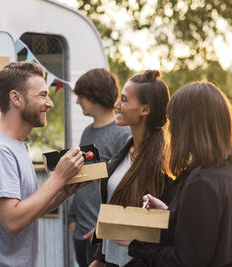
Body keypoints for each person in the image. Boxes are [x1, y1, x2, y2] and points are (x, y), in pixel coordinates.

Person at [116, 82, 232, 267]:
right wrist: (170, 213)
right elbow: (209, 235)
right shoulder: (231, 172)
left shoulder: (202, 183)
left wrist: (136, 244)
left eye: (173, 121)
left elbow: (185, 261)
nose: (171, 130)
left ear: (187, 126)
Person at [0, 61, 87, 267]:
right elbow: (13, 221)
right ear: (16, 98)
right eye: (42, 95)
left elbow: (26, 209)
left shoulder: (16, 146)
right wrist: (58, 178)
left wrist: (64, 191)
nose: (50, 103)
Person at [90, 70, 172, 267]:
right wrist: (100, 260)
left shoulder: (165, 164)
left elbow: (169, 230)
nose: (116, 105)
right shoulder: (123, 153)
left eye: (124, 100)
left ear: (145, 109)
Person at [68, 68, 131, 267]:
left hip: (102, 236)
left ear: (96, 96)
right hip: (80, 231)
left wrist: (103, 227)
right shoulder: (87, 132)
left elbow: (126, 187)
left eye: (81, 96)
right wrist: (72, 218)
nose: (78, 101)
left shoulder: (123, 133)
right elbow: (82, 176)